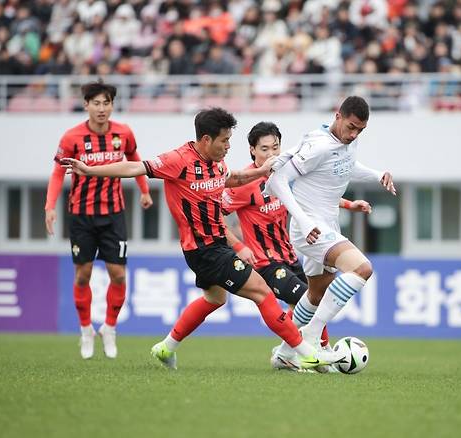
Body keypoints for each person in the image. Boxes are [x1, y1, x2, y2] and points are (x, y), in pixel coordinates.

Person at [62, 107, 344, 371]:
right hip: (203, 249)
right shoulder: (178, 161)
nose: (228, 146)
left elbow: (230, 179)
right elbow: (134, 167)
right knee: (263, 292)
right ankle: (307, 354)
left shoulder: (217, 163)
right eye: (224, 140)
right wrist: (90, 170)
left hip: (215, 247)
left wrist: (259, 172)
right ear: (206, 139)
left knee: (214, 298)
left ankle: (166, 347)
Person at [221, 121, 371, 371]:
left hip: (290, 255)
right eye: (264, 149)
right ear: (252, 151)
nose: (271, 154)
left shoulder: (285, 175)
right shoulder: (244, 185)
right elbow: (214, 217)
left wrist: (349, 205)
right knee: (305, 298)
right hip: (266, 263)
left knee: (315, 297)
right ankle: (317, 353)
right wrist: (238, 246)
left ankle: (288, 353)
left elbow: (312, 199)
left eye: (275, 147)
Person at [265, 96, 396, 361]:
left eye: (360, 129)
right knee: (362, 269)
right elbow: (277, 180)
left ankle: (285, 352)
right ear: (338, 116)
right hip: (310, 228)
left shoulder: (346, 140)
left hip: (327, 224)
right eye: (351, 127)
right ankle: (311, 336)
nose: (354, 133)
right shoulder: (318, 146)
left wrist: (376, 174)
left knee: (316, 294)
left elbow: (345, 166)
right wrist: (302, 219)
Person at [44, 80, 153, 360]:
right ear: (86, 106)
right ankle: (85, 331)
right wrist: (49, 206)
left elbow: (135, 159)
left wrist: (143, 190)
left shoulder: (124, 133)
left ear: (112, 105)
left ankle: (110, 328)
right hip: (81, 215)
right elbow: (58, 173)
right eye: (96, 103)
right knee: (83, 274)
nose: (101, 109)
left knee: (118, 274)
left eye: (106, 103)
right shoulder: (72, 138)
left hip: (114, 214)